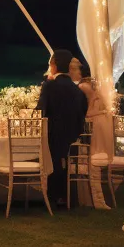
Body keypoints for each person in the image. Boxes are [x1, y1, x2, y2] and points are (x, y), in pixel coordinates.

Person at [36, 48, 88, 207]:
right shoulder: (76, 89)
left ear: (54, 65)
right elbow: (82, 111)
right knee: (63, 160)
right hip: (72, 136)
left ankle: (52, 196)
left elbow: (40, 111)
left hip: (52, 134)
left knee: (52, 159)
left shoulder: (49, 85)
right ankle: (66, 195)